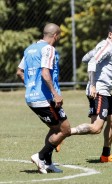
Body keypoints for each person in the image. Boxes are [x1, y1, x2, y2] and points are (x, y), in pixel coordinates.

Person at [16, 23, 71, 174]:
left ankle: (47, 163)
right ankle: (40, 156)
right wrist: (55, 93)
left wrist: (31, 87)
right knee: (65, 130)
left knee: (54, 129)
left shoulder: (30, 49)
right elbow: (45, 73)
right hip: (45, 98)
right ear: (56, 36)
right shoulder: (49, 49)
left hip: (32, 97)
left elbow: (19, 72)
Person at [70, 23, 112, 163]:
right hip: (99, 91)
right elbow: (91, 63)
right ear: (110, 35)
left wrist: (95, 51)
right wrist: (93, 85)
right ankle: (64, 133)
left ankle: (105, 155)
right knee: (96, 128)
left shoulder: (105, 46)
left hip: (105, 92)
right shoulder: (107, 47)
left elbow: (85, 58)